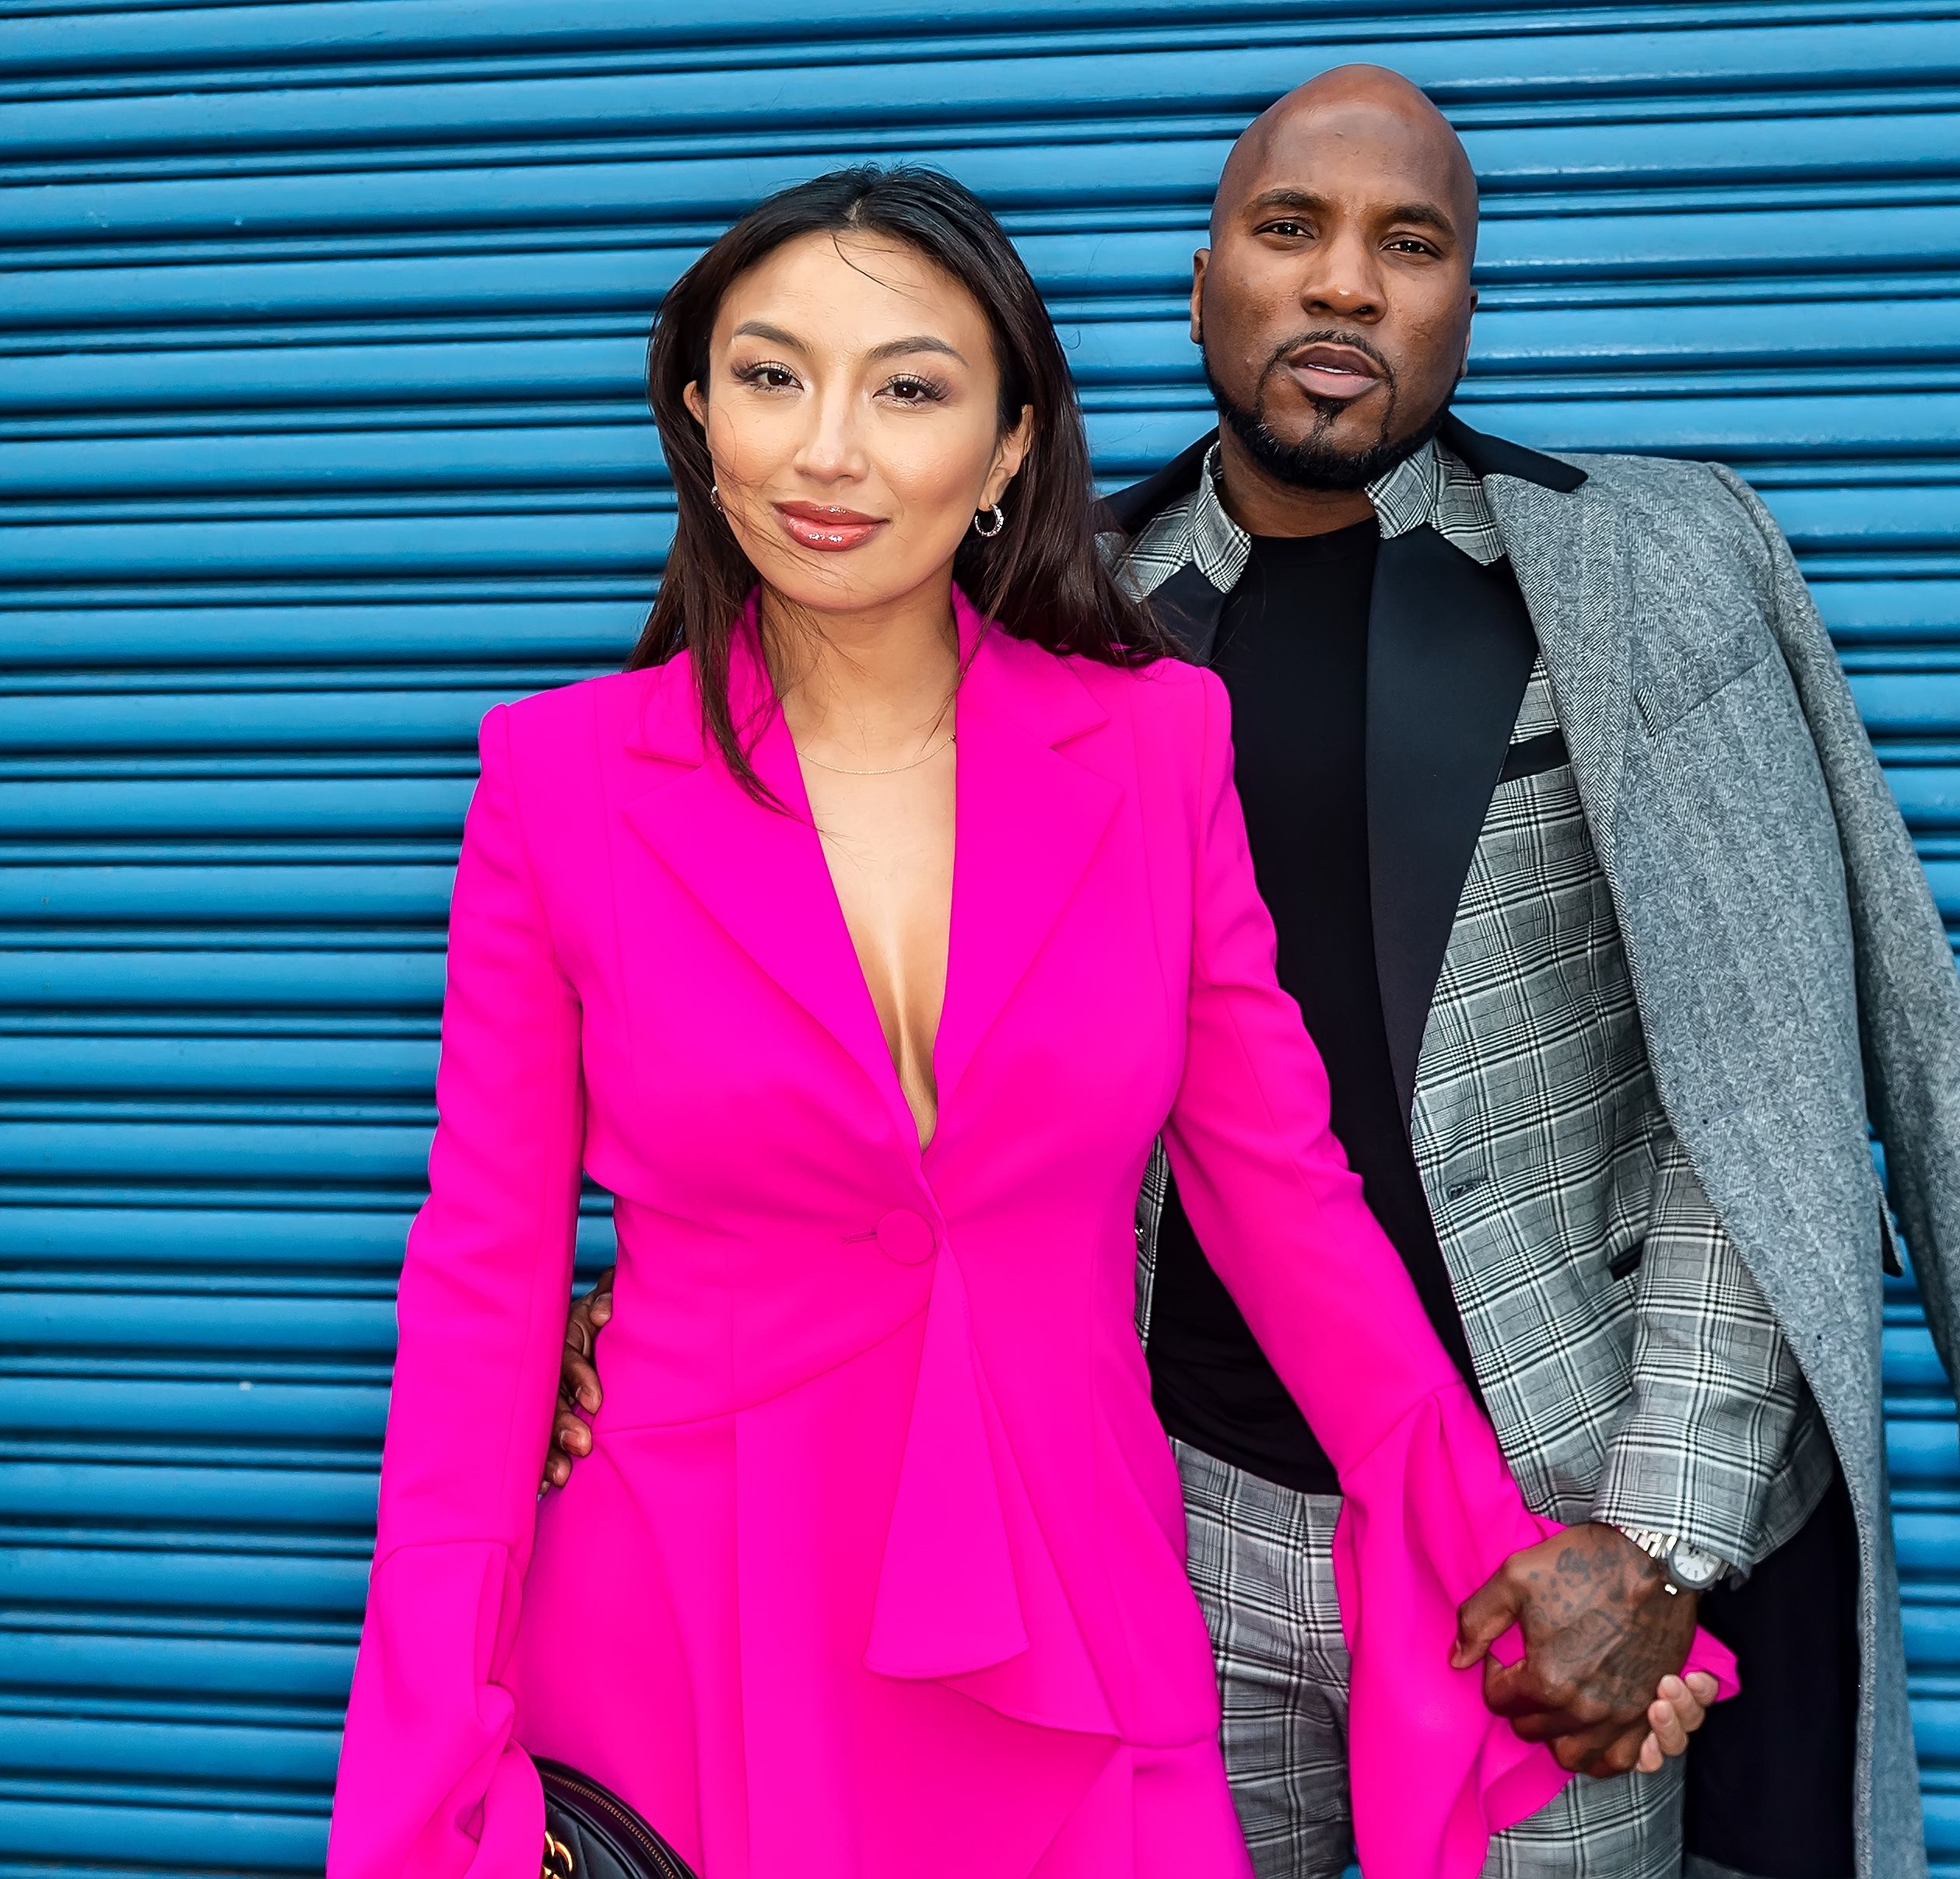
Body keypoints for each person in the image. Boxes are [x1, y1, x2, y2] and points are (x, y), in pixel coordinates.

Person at [545, 65, 1960, 1879]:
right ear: (1201, 286)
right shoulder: (1049, 630)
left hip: (1547, 1520)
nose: (1345, 284)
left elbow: (1761, 1097)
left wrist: (1660, 1542)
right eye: (1292, 230)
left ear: (1466, 308)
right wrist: (654, 1312)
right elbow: (837, 1013)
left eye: (1408, 245)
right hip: (1159, 1507)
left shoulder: (1639, 566)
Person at [330, 166, 1735, 1879]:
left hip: (1072, 1592)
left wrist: (1485, 1550)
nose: (827, 450)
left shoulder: (1152, 749)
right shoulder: (556, 786)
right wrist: (422, 1771)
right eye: (771, 376)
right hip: (689, 1623)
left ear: (1007, 448)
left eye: (908, 387)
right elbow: (481, 1287)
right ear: (696, 415)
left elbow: (1285, 1202)